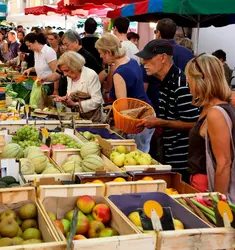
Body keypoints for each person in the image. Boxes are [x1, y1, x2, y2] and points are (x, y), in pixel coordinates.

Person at [136, 39, 200, 181]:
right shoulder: (165, 81)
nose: (143, 63)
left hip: (182, 160)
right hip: (169, 153)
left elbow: (193, 124)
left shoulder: (181, 84)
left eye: (148, 59)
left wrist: (159, 122)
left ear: (163, 58)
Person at [186, 54, 235, 199]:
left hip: (207, 188)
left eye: (189, 77)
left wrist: (218, 205)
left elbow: (224, 164)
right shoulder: (210, 107)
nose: (187, 81)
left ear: (201, 79)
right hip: (200, 184)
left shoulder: (216, 113)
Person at [95, 33, 154, 152]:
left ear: (109, 52)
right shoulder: (131, 61)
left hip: (136, 121)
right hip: (147, 114)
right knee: (144, 152)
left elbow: (123, 108)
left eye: (101, 53)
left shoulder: (119, 73)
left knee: (136, 156)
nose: (101, 56)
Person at [54, 51, 106, 123]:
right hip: (78, 118)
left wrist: (75, 104)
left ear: (75, 66)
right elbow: (71, 95)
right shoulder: (69, 76)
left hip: (94, 119)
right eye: (63, 71)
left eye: (66, 70)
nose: (65, 74)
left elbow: (97, 100)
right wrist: (65, 99)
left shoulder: (91, 75)